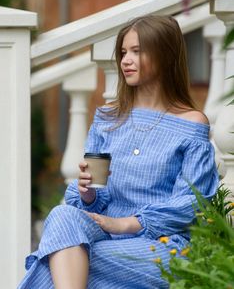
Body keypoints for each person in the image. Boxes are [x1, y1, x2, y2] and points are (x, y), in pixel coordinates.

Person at [18, 15, 219, 289]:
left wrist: (124, 224)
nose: (125, 60)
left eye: (137, 51)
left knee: (63, 255)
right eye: (124, 52)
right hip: (104, 232)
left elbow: (191, 204)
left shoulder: (191, 124)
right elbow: (94, 193)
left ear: (165, 55)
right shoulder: (108, 119)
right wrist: (88, 193)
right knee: (62, 218)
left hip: (159, 244)